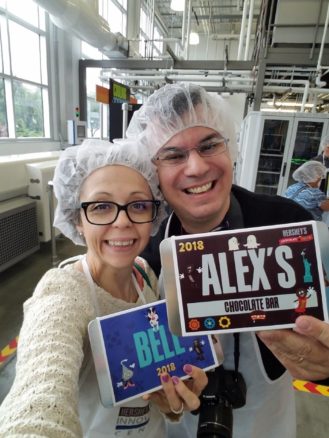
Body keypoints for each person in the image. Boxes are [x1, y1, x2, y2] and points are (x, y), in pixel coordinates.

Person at [125, 82, 329, 438]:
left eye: (209, 145)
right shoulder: (146, 253)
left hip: (267, 423)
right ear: (152, 170)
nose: (196, 168)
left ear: (230, 147)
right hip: (181, 426)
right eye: (173, 155)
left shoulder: (289, 224)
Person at [0, 139, 207, 437]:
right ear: (77, 219)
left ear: (153, 216)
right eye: (100, 207)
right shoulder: (64, 293)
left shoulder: (145, 275)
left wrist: (170, 403)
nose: (122, 222)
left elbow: (151, 392)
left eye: (137, 205)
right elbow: (39, 399)